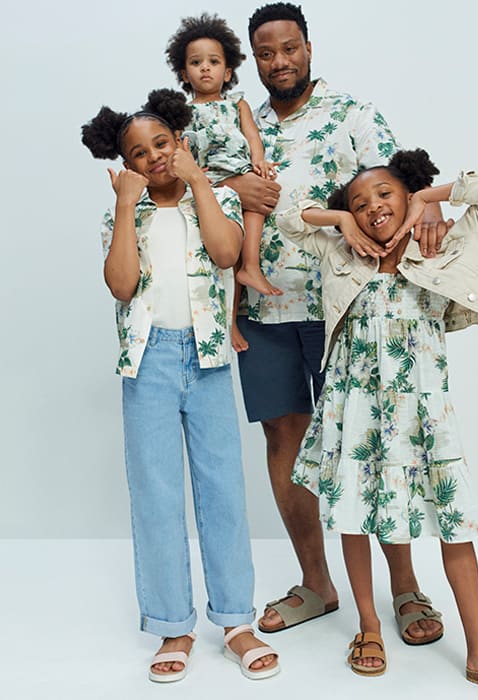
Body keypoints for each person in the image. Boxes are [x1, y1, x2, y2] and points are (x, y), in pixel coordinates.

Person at [276, 149, 478, 698]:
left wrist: (431, 197)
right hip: (352, 409)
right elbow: (288, 216)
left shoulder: (439, 243)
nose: (373, 206)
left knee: (454, 522)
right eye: (360, 202)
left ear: (406, 195)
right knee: (353, 516)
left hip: (424, 415)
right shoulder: (340, 252)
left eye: (385, 194)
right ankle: (368, 627)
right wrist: (341, 221)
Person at [223, 2, 448, 642]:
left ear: (308, 47)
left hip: (343, 306)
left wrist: (431, 206)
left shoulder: (352, 114)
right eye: (265, 53)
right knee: (284, 442)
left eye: (288, 48)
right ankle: (317, 584)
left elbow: (400, 188)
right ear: (252, 59)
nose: (279, 62)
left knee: (378, 443)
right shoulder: (240, 125)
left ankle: (405, 589)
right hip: (262, 309)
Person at [80, 88, 279, 682]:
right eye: (138, 154)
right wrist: (122, 207)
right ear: (129, 166)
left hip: (209, 357)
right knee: (157, 495)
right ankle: (173, 624)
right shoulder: (128, 212)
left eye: (161, 144)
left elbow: (225, 254)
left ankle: (236, 622)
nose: (153, 158)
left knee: (222, 489)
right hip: (149, 364)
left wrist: (198, 183)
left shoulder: (210, 197)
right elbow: (120, 285)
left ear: (180, 143)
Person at [166, 13, 282, 301]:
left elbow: (252, 134)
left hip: (239, 168)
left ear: (227, 72)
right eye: (196, 63)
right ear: (184, 74)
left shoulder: (237, 103)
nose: (205, 68)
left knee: (256, 207)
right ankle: (227, 320)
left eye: (214, 62)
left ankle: (252, 266)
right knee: (221, 247)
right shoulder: (182, 110)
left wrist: (259, 161)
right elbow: (177, 146)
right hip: (208, 180)